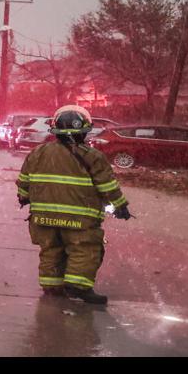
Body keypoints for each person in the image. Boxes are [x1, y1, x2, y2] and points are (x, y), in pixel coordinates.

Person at [15, 105, 132, 305]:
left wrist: (24, 197)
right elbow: (107, 186)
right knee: (85, 249)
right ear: (85, 131)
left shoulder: (39, 152)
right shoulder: (93, 156)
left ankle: (52, 286)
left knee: (51, 249)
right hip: (80, 218)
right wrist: (121, 206)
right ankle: (78, 286)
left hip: (43, 217)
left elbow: (24, 181)